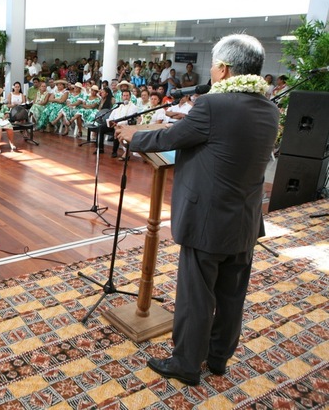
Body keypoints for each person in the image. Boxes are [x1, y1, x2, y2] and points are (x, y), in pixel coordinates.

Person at [115, 33, 278, 386]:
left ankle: (186, 363)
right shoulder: (270, 109)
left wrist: (133, 135)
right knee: (232, 294)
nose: (212, 72)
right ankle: (218, 358)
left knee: (196, 295)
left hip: (207, 220)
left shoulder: (213, 106)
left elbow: (170, 138)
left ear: (224, 69)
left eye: (214, 66)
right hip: (245, 220)